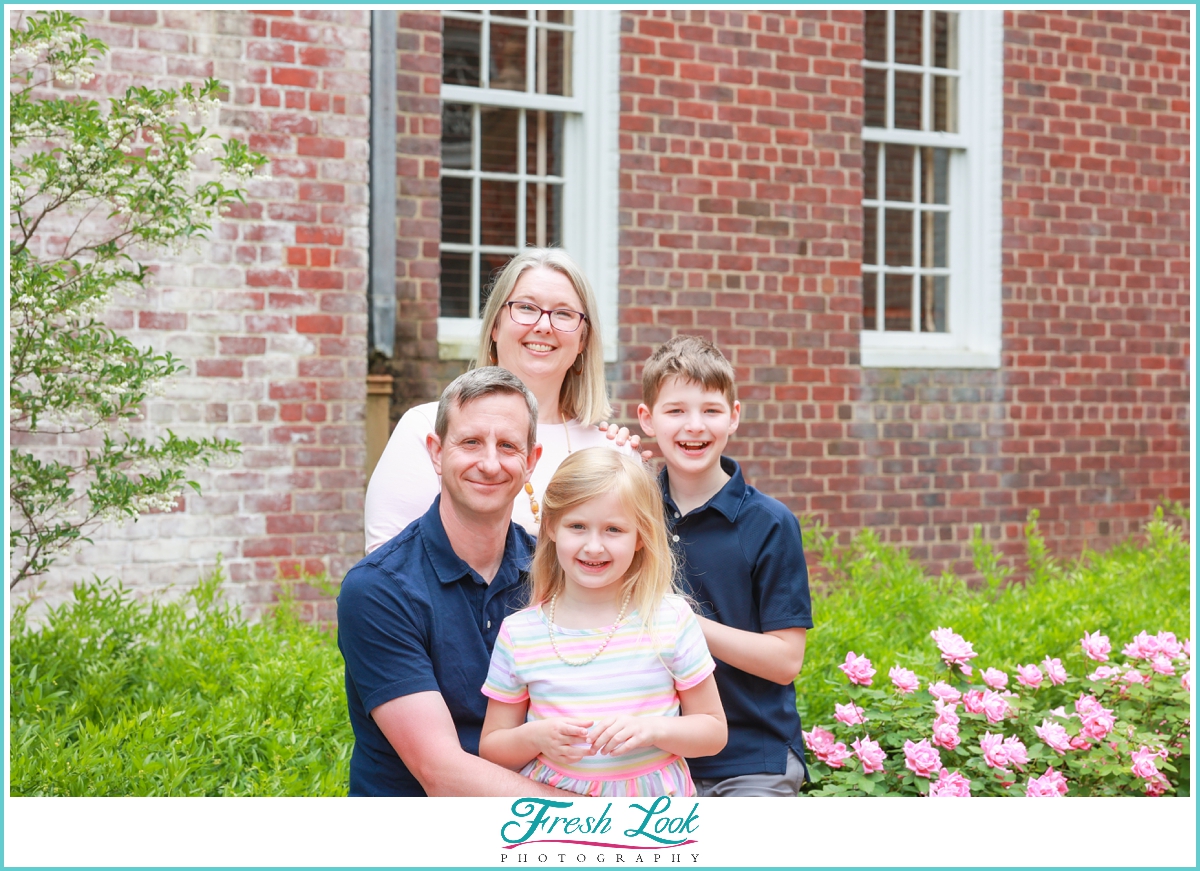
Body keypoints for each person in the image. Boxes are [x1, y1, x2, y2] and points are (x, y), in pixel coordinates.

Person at [338, 367, 567, 796]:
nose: (490, 463)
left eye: (508, 446)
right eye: (471, 442)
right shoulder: (379, 590)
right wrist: (599, 818)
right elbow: (441, 773)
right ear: (436, 452)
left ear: (531, 461)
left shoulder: (556, 571)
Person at [478, 448, 727, 797]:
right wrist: (535, 738)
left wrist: (652, 730)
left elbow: (714, 732)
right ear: (550, 526)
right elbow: (493, 747)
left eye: (614, 529)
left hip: (654, 809)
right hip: (555, 807)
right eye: (577, 526)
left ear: (640, 536)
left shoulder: (669, 619)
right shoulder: (520, 633)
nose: (593, 546)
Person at [364, 248, 639, 551]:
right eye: (526, 307)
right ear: (495, 325)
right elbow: (388, 570)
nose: (544, 326)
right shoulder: (428, 429)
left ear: (583, 340)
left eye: (563, 313)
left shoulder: (615, 452)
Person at [635, 335, 813, 797]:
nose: (694, 426)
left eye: (710, 410)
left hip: (750, 757)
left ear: (734, 416)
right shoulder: (629, 515)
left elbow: (785, 661)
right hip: (649, 757)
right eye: (675, 410)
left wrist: (683, 623)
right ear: (646, 419)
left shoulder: (770, 522)